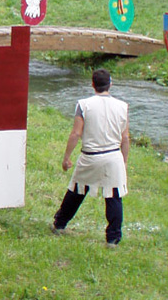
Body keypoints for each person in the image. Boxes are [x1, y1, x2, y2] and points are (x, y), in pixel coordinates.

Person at [51, 68, 130, 247]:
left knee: (76, 191)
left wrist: (67, 157)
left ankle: (60, 224)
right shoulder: (122, 106)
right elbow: (125, 138)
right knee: (114, 196)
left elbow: (75, 134)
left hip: (90, 156)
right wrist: (123, 161)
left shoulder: (84, 104)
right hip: (113, 156)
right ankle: (113, 239)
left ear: (92, 84)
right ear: (110, 84)